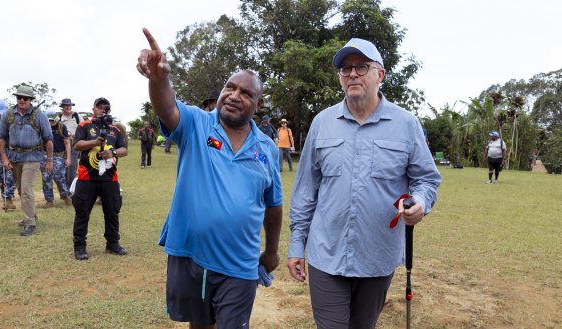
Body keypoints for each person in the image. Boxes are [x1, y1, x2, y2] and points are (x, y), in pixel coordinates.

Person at [287, 38, 442, 329]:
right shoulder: (322, 123)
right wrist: (297, 245)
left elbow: (426, 179)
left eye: (361, 67)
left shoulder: (406, 124)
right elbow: (306, 190)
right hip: (326, 254)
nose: (352, 74)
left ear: (380, 74)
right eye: (345, 70)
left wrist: (421, 202)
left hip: (377, 256)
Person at [137, 28, 282, 329]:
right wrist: (159, 78)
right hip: (194, 256)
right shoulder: (197, 124)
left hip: (241, 262)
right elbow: (166, 107)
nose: (234, 95)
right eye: (230, 87)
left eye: (246, 93)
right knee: (200, 325)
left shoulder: (267, 148)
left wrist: (270, 251)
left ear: (258, 105)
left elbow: (273, 204)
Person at [71, 97, 128, 260]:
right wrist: (95, 142)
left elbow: (124, 149)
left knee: (112, 211)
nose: (102, 110)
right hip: (87, 177)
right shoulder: (84, 126)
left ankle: (113, 244)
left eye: (106, 108)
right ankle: (79, 247)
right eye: (99, 107)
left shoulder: (115, 130)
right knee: (82, 212)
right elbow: (77, 145)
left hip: (110, 179)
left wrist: (113, 153)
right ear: (93, 108)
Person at [0, 85, 54, 236]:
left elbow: (48, 139)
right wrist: (4, 157)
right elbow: (1, 137)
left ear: (31, 100)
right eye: (19, 97)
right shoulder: (8, 115)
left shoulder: (39, 115)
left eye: (25, 98)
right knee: (21, 189)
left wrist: (49, 160)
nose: (22, 100)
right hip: (14, 157)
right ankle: (32, 215)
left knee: (27, 189)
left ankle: (30, 223)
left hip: (33, 157)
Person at [40, 112, 71, 208]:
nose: (51, 123)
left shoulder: (62, 127)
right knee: (46, 178)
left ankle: (65, 195)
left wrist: (68, 158)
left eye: (53, 121)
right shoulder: (42, 127)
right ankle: (49, 200)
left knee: (60, 177)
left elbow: (67, 142)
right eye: (49, 120)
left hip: (58, 155)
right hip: (45, 155)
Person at [57, 98, 84, 188]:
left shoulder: (77, 116)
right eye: (66, 106)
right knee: (62, 167)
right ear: (62, 107)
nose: (68, 107)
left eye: (69, 105)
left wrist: (75, 134)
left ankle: (70, 189)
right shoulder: (58, 118)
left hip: (74, 145)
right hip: (62, 145)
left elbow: (84, 129)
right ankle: (65, 189)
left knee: (71, 166)